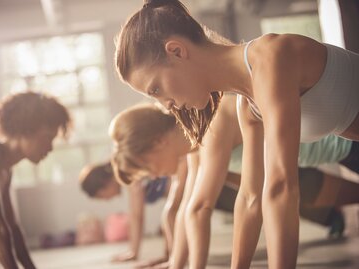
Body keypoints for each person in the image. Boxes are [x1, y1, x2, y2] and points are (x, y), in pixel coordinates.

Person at [115, 1, 359, 267]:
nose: (165, 105)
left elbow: (281, 187)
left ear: (176, 51)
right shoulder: (247, 106)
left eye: (155, 90)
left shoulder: (269, 58)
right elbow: (250, 198)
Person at [109, 96, 359, 269]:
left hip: (346, 139)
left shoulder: (210, 129)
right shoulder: (194, 148)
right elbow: (188, 206)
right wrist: (176, 261)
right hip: (339, 149)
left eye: (146, 168)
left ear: (157, 143)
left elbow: (200, 208)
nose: (153, 176)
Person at [0, 91, 72, 269]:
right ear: (25, 129)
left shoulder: (6, 169)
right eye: (47, 137)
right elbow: (0, 233)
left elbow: (12, 227)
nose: (50, 147)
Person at [79, 162, 175, 265]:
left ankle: (172, 257)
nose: (106, 200)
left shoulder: (127, 171)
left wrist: (133, 252)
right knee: (168, 218)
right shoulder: (124, 171)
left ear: (103, 183)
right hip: (176, 187)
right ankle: (170, 256)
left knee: (169, 217)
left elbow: (137, 216)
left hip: (180, 180)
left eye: (101, 196)